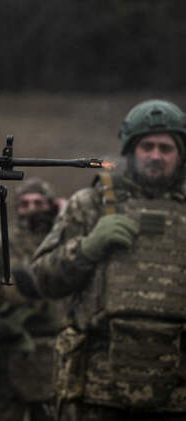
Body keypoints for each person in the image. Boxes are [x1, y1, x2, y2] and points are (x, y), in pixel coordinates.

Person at [26, 99, 186, 420]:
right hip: (96, 394)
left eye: (166, 148)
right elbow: (42, 278)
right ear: (130, 150)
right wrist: (87, 248)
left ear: (180, 155)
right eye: (147, 146)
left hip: (176, 395)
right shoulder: (90, 205)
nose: (156, 156)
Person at [0, 177, 64, 421]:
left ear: (51, 206)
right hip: (7, 354)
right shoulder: (0, 245)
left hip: (53, 355)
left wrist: (65, 218)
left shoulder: (63, 244)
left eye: (39, 202)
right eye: (25, 204)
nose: (32, 209)